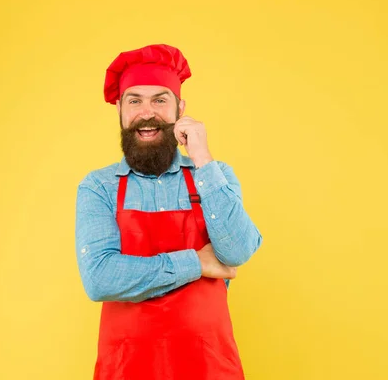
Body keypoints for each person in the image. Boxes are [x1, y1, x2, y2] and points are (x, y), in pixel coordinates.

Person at [75, 44, 263, 380]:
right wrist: (197, 262)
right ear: (119, 109)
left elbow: (237, 252)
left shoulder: (214, 176)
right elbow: (100, 278)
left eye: (160, 100)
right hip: (127, 368)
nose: (147, 113)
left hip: (209, 366)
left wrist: (202, 158)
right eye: (135, 100)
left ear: (180, 108)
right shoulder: (99, 187)